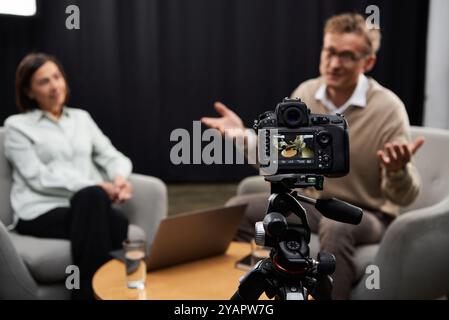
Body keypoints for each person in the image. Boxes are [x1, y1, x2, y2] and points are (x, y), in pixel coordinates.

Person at [201, 13, 424, 299]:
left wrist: (397, 170)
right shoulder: (306, 93)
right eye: (330, 51)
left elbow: (404, 197)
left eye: (346, 56)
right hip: (310, 202)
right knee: (236, 210)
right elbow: (282, 158)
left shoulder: (388, 108)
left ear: (367, 62)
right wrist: (243, 136)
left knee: (336, 226)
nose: (334, 63)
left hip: (365, 213)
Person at [4, 53, 133, 300]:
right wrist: (96, 186)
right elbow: (37, 176)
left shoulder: (81, 119)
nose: (54, 86)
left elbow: (111, 155)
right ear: (29, 92)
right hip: (40, 211)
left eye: (57, 77)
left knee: (116, 220)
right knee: (98, 203)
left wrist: (119, 179)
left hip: (85, 207)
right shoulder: (17, 126)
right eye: (44, 82)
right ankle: (92, 295)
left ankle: (102, 294)